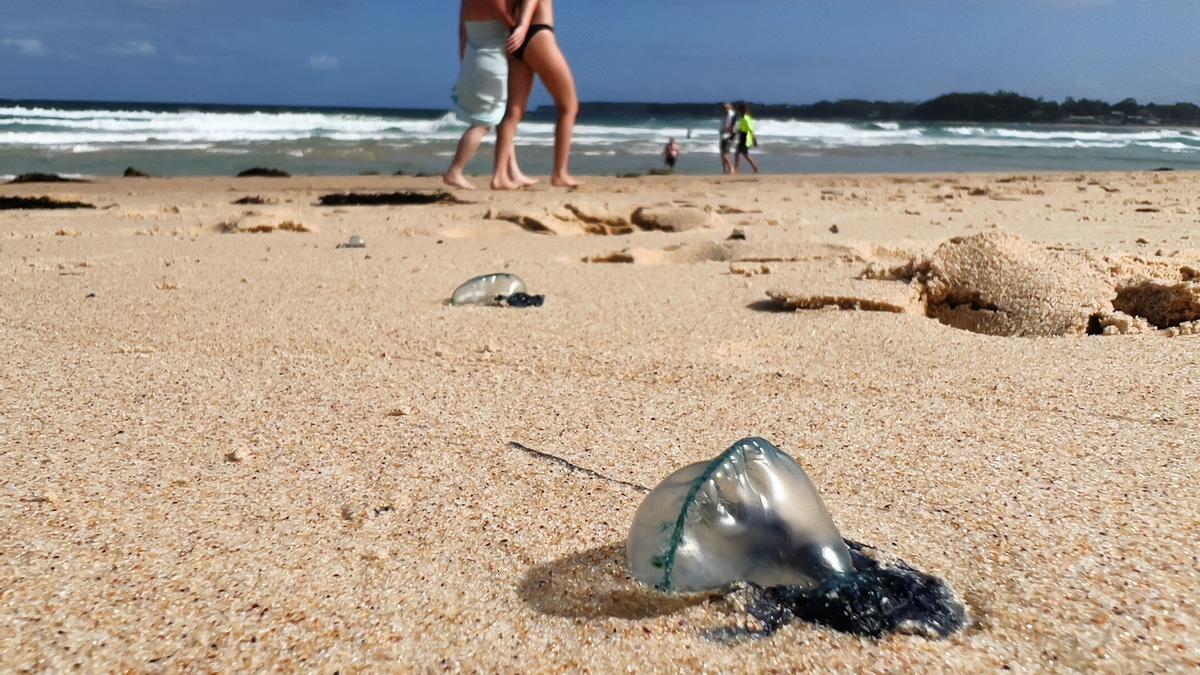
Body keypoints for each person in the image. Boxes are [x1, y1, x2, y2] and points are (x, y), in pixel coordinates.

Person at [443, 0, 536, 190]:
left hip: (473, 56)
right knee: (483, 123)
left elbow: (462, 34)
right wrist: (523, 27)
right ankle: (455, 170)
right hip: (493, 59)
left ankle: (513, 171)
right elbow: (508, 24)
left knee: (500, 117)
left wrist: (466, 61)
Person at [492, 0, 581, 189]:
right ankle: (560, 173)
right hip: (537, 34)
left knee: (513, 112)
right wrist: (523, 27)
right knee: (569, 106)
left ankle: (500, 174)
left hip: (516, 40)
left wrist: (518, 28)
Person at [734, 102, 761, 175]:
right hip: (743, 137)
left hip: (745, 138)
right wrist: (738, 131)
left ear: (743, 110)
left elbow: (751, 130)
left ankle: (737, 169)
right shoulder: (743, 118)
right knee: (743, 154)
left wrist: (754, 140)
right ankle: (755, 168)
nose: (739, 111)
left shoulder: (747, 118)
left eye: (740, 110)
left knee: (739, 153)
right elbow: (743, 128)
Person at [719, 102, 736, 174]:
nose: (724, 109)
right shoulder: (724, 116)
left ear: (729, 108)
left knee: (724, 153)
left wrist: (731, 137)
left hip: (728, 136)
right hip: (723, 135)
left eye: (725, 108)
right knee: (723, 153)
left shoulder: (731, 115)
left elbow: (733, 126)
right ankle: (724, 169)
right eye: (723, 108)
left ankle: (731, 168)